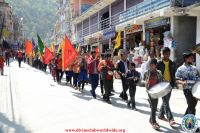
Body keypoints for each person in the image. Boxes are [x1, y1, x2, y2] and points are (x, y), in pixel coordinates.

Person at [175, 51, 199, 132]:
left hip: (196, 91)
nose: (193, 58)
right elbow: (177, 79)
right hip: (187, 90)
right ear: (186, 58)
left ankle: (185, 124)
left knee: (191, 107)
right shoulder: (180, 69)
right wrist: (182, 82)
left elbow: (198, 78)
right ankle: (191, 127)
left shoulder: (194, 68)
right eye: (191, 57)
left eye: (193, 57)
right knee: (192, 108)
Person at [157, 47, 176, 126]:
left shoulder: (172, 63)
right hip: (162, 85)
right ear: (162, 54)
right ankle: (170, 119)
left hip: (169, 84)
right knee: (166, 102)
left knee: (166, 101)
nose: (167, 55)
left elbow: (173, 74)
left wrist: (174, 83)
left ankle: (161, 115)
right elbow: (155, 74)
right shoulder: (159, 63)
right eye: (165, 54)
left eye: (168, 54)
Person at [143, 59, 162, 130]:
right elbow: (143, 80)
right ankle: (154, 122)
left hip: (156, 91)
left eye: (152, 65)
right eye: (150, 65)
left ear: (155, 65)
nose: (151, 66)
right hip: (150, 91)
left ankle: (151, 119)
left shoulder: (159, 73)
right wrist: (146, 82)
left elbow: (160, 82)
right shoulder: (146, 72)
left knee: (155, 106)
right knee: (154, 106)